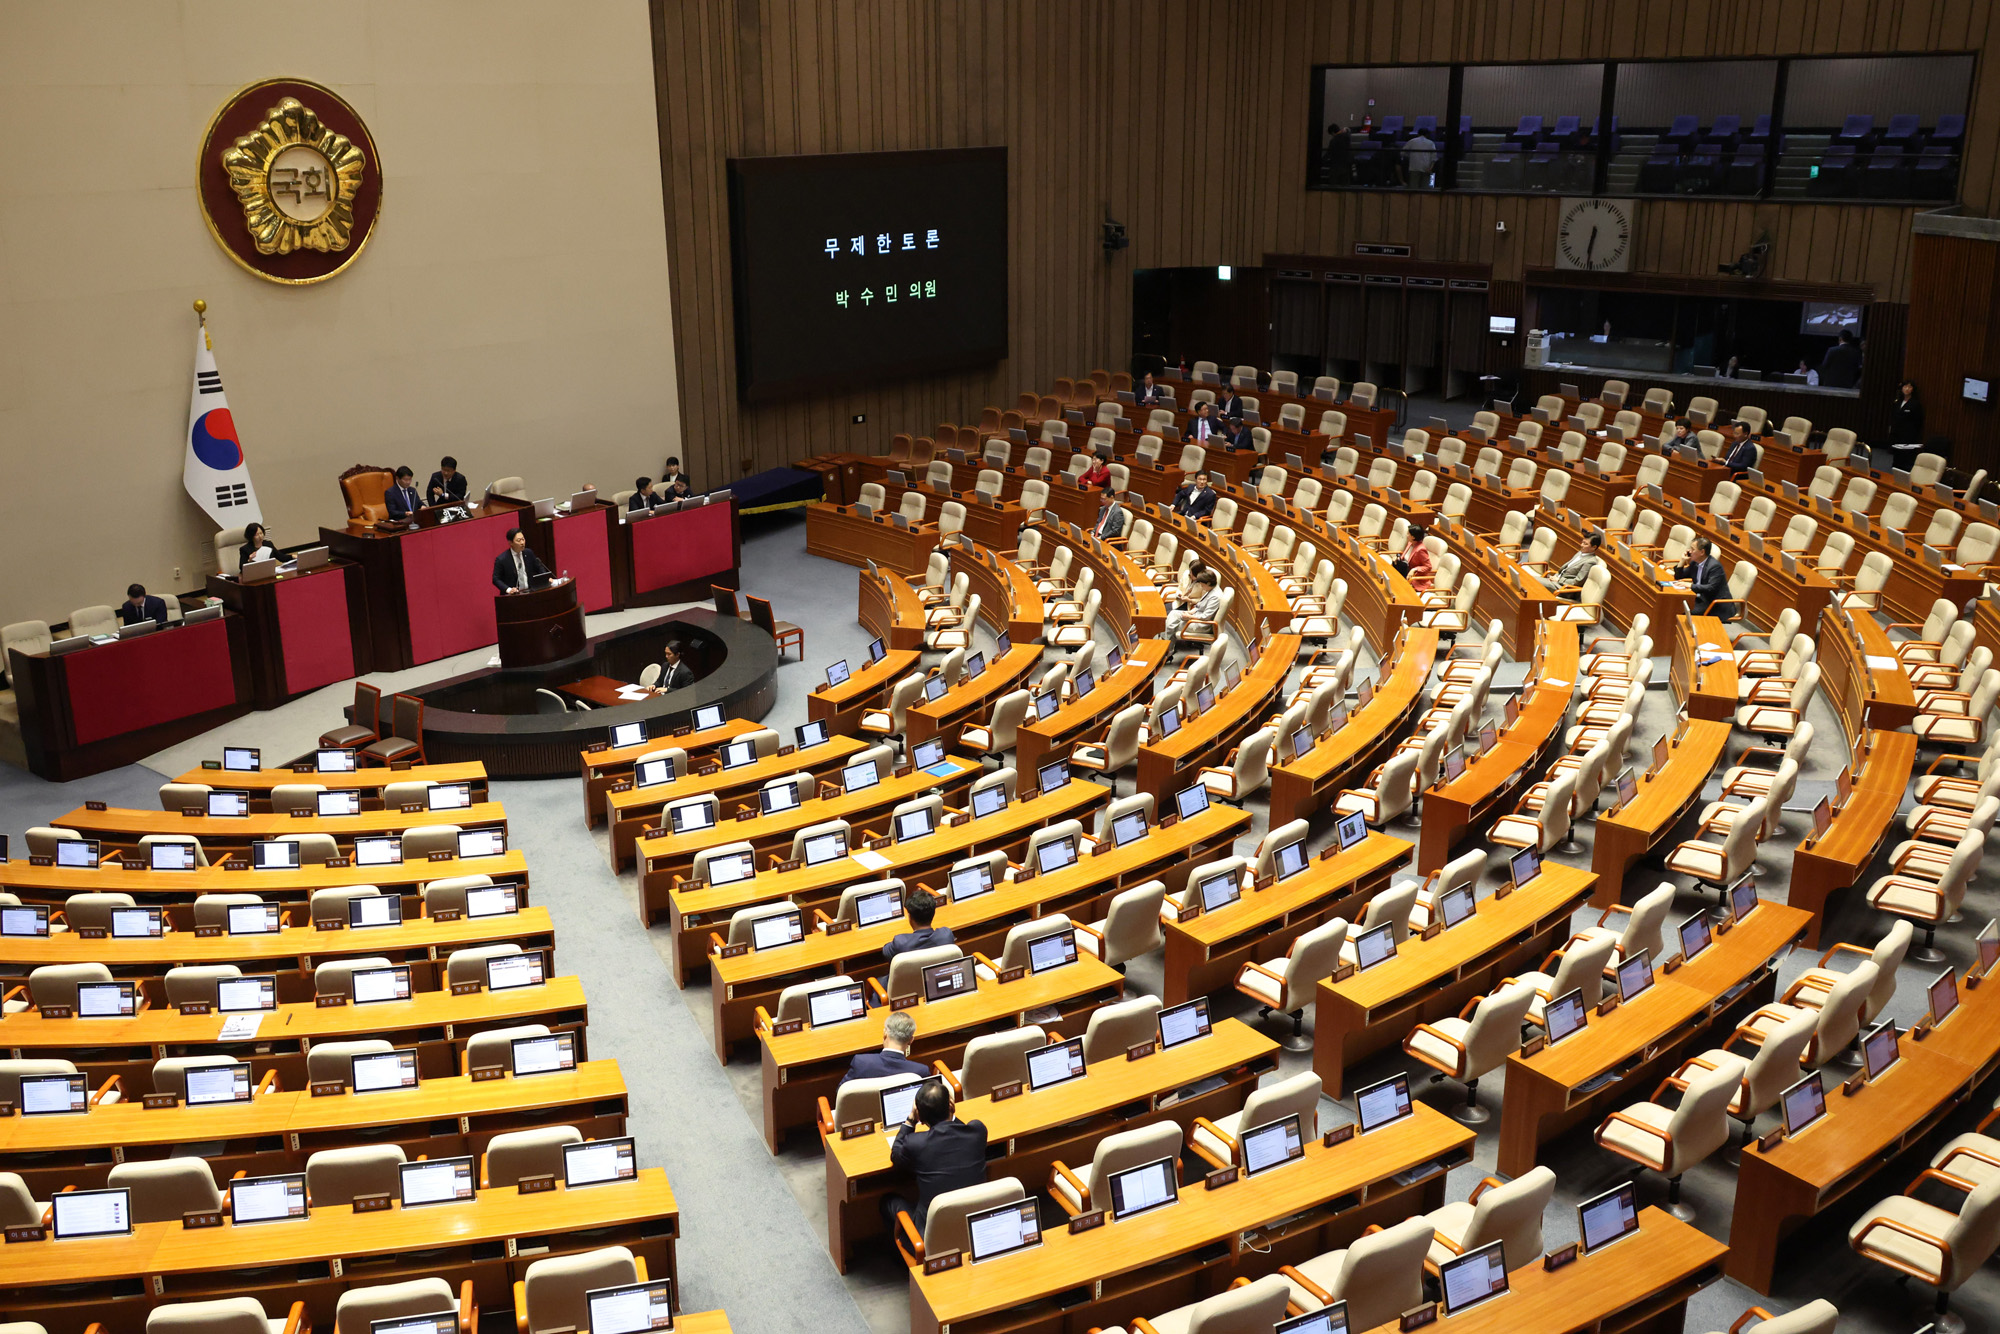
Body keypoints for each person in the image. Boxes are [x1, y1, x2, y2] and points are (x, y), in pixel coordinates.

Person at [883, 1080, 989, 1236]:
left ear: (920, 1114)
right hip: (974, 1225)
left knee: (887, 1202)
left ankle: (902, 1256)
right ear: (951, 1106)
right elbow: (962, 1129)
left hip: (932, 1234)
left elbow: (896, 1154)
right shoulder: (977, 1131)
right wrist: (951, 1115)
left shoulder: (916, 1143)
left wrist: (911, 1120)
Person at [842, 1012, 928, 1086]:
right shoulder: (920, 1072)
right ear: (911, 1040)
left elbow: (841, 1092)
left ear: (885, 1034)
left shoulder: (861, 1062)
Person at [883, 888, 955, 962]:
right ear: (933, 914)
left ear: (910, 917)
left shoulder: (900, 942)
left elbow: (885, 951)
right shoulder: (946, 935)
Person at [1675, 537, 1730, 616]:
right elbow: (1678, 576)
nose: (1689, 551)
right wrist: (1682, 560)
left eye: (1692, 549)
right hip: (1698, 597)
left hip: (1712, 602)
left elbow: (1710, 588)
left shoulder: (1714, 567)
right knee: (1675, 604)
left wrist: (1691, 585)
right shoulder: (1695, 563)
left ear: (1702, 552)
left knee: (1682, 611)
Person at [1165, 569, 1221, 644]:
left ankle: (1167, 650)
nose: (1201, 586)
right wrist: (1189, 612)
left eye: (1202, 585)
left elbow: (1206, 617)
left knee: (1170, 625)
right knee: (1173, 613)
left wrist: (1190, 617)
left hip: (1201, 624)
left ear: (1208, 583)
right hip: (1196, 616)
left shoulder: (1215, 597)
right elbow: (1199, 606)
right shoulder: (1211, 590)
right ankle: (1166, 645)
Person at [491, 527, 550, 594]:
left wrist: (546, 579)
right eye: (518, 540)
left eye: (523, 539)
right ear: (511, 543)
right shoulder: (502, 559)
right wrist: (509, 589)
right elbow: (496, 579)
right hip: (513, 596)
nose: (522, 543)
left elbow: (539, 567)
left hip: (531, 592)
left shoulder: (529, 553)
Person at [1552, 532, 1603, 599]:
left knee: (1537, 584)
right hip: (1556, 581)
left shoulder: (1590, 562)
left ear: (1594, 547)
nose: (1581, 545)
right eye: (1582, 542)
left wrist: (1559, 580)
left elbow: (1577, 581)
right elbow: (1565, 568)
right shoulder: (1579, 553)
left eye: (1585, 544)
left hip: (1565, 589)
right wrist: (1555, 576)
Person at [1396, 524, 1435, 591]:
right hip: (1404, 572)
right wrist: (1398, 558)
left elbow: (1428, 567)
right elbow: (1405, 557)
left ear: (1413, 537)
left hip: (1416, 580)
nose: (1406, 535)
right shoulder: (1410, 543)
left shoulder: (1420, 549)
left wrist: (1415, 569)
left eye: (1408, 533)